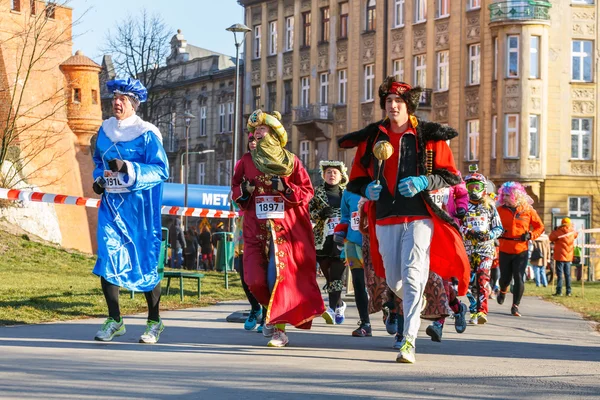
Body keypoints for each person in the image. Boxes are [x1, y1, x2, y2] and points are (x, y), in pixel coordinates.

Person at [339, 77, 469, 363]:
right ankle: (415, 297)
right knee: (394, 278)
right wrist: (367, 189)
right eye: (389, 102)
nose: (393, 106)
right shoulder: (374, 137)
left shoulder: (428, 135)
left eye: (398, 101)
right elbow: (355, 180)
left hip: (420, 215)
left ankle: (408, 341)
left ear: (409, 105)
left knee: (412, 274)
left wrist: (424, 180)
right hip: (385, 216)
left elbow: (451, 176)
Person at [231, 109, 324, 347]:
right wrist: (245, 192)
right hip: (254, 229)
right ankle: (269, 313)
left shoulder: (291, 160)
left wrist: (285, 188)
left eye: (261, 129)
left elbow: (307, 191)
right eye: (254, 131)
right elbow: (234, 190)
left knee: (278, 277)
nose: (256, 134)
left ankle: (278, 329)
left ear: (273, 133)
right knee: (253, 280)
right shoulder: (246, 161)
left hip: (283, 231)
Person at [91, 78, 169, 343]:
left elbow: (161, 170)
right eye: (114, 97)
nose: (116, 102)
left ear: (133, 103)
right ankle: (115, 319)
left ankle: (154, 321)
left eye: (122, 98)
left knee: (144, 263)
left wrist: (130, 169)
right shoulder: (104, 130)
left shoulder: (146, 133)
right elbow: (97, 161)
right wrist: (100, 178)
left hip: (139, 210)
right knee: (108, 257)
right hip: (112, 206)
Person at [459, 170, 503, 325]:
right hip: (468, 250)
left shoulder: (490, 207)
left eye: (476, 187)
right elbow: (457, 225)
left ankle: (482, 311)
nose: (473, 190)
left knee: (483, 279)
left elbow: (499, 228)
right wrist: (467, 232)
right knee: (469, 283)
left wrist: (489, 236)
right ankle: (473, 309)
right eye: (469, 187)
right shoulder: (463, 207)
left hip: (485, 249)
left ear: (483, 188)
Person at [309, 161, 349, 325]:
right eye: (328, 172)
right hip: (322, 240)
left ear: (341, 176)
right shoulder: (316, 192)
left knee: (336, 276)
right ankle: (340, 304)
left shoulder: (347, 193)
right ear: (323, 175)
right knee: (329, 277)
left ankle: (332, 308)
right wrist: (321, 213)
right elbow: (308, 213)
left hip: (341, 239)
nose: (331, 175)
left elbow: (355, 211)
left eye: (335, 172)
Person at [496, 182, 544, 317]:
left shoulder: (527, 210)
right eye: (503, 195)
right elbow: (492, 225)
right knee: (504, 278)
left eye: (507, 195)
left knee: (519, 277)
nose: (504, 198)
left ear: (516, 196)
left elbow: (540, 227)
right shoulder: (499, 210)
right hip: (505, 248)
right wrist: (498, 232)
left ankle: (515, 306)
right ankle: (503, 290)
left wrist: (531, 235)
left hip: (521, 249)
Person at [333, 185, 372, 336]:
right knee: (358, 282)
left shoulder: (379, 185)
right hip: (353, 242)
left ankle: (391, 312)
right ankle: (365, 323)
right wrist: (341, 230)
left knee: (382, 283)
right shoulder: (348, 192)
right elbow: (345, 216)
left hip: (376, 242)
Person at [549, 218, 578, 296]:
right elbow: (576, 235)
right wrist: (572, 227)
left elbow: (551, 237)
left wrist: (554, 230)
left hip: (560, 256)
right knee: (568, 274)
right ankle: (568, 291)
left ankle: (559, 291)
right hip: (568, 256)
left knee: (560, 274)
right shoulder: (572, 232)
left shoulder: (559, 231)